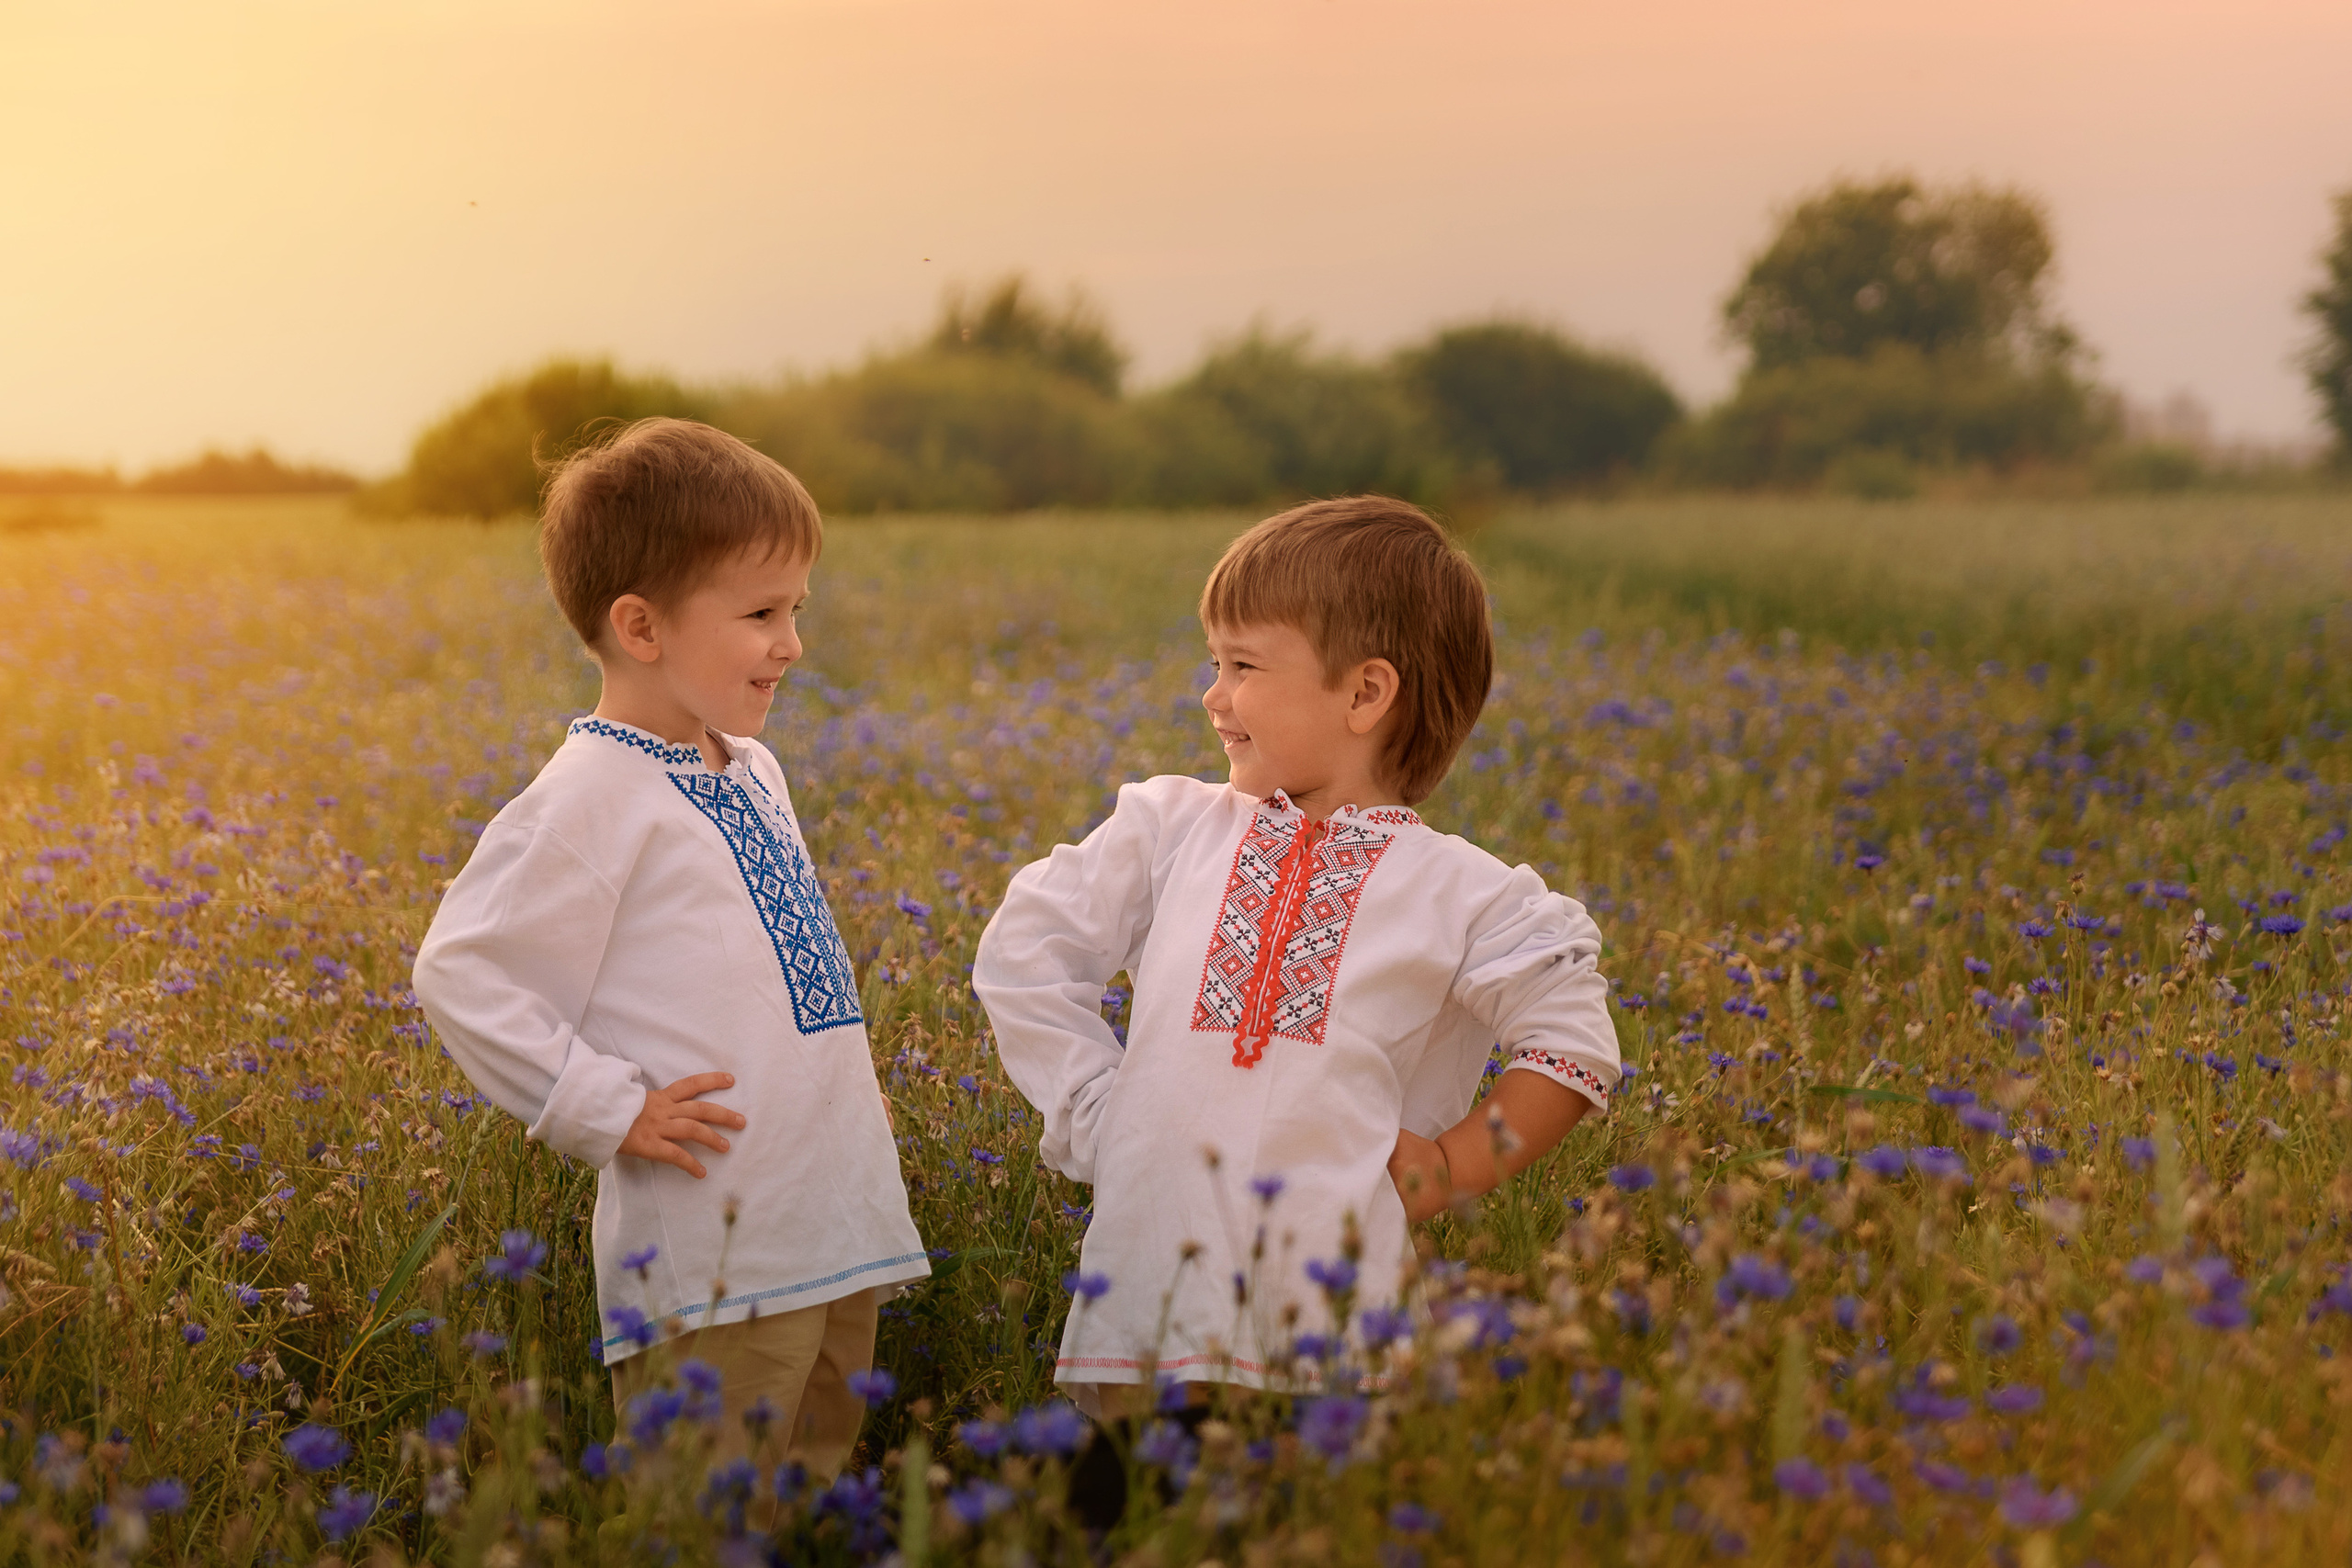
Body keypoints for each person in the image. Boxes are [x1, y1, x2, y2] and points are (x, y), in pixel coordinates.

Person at [975, 495, 1620, 1430]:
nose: (1214, 694)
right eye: (1214, 662)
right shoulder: (1173, 825)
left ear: (1364, 694)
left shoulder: (1460, 891)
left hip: (1331, 1323)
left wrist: (1454, 1166)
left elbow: (1571, 1043)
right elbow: (1028, 951)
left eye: (1242, 665)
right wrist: (1097, 1109)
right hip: (1150, 1300)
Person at [413, 418, 926, 1489]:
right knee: (701, 1517)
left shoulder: (749, 768)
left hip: (826, 1217)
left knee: (809, 1492)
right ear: (640, 626)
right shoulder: (590, 798)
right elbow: (463, 969)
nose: (791, 642)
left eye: (796, 610)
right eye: (760, 613)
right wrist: (606, 1110)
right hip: (714, 1253)